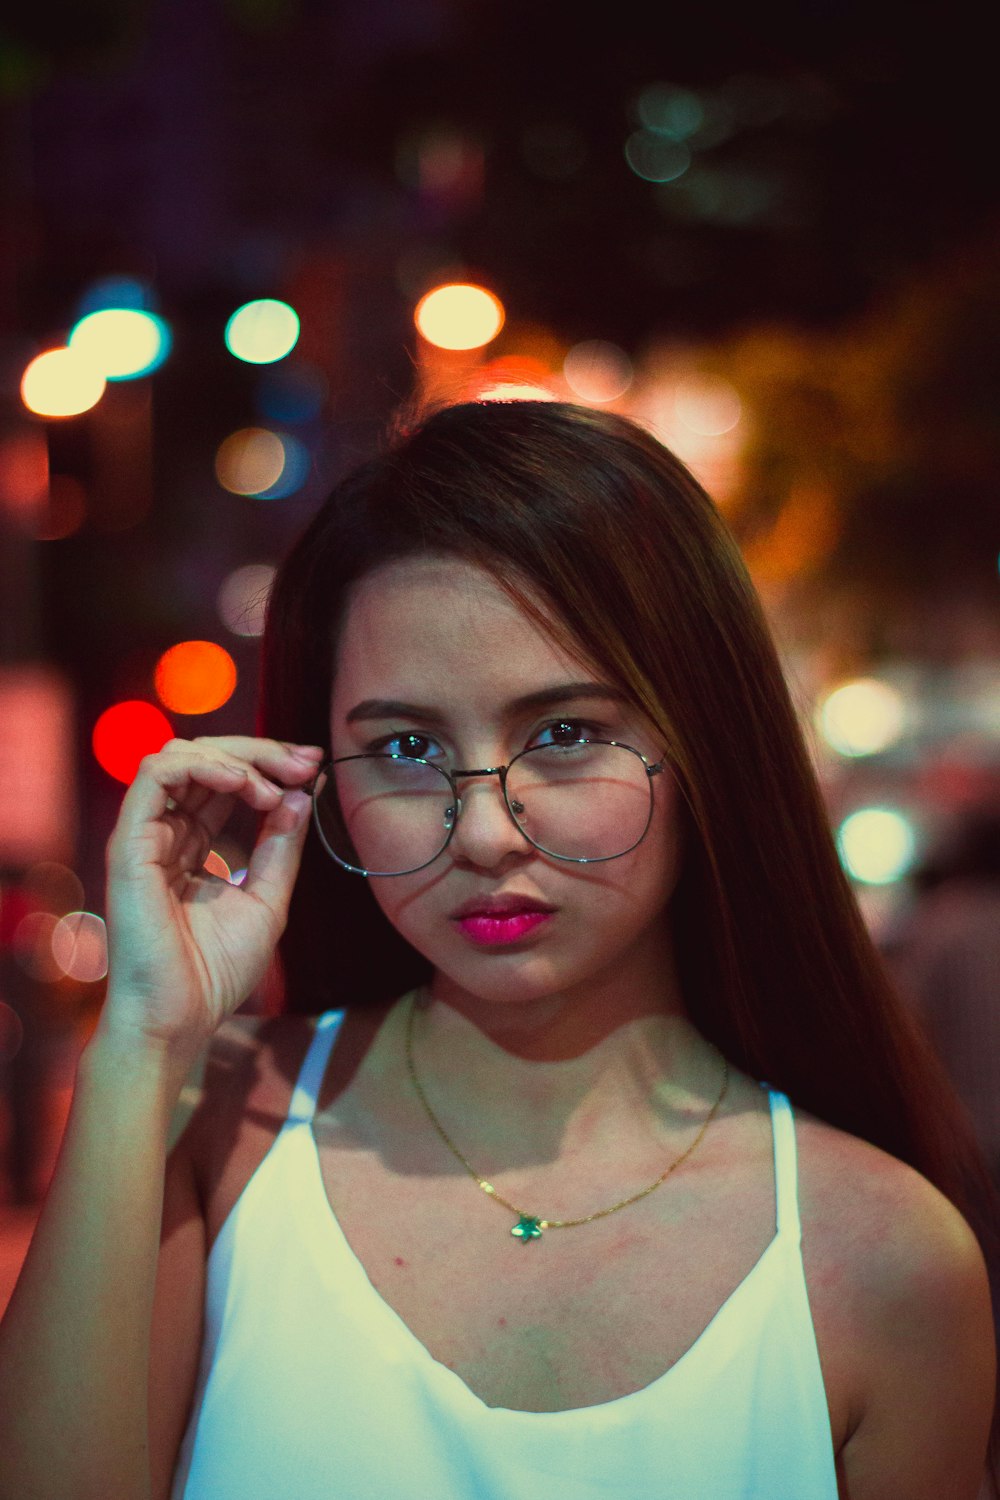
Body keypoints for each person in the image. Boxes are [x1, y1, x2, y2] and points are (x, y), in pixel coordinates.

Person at [0, 398, 995, 1500]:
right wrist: (142, 1037)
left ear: (704, 739)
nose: (481, 831)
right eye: (407, 747)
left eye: (564, 734)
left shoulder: (885, 1259)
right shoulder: (215, 1128)